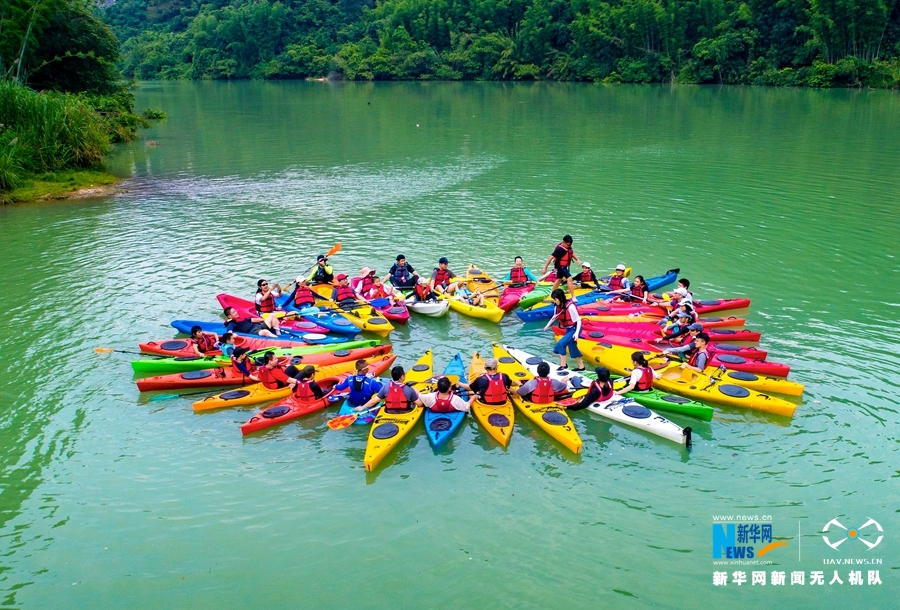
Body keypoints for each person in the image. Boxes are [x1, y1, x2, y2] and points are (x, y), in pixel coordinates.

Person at [544, 288, 585, 372]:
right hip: (568, 329)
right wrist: (547, 325)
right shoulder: (557, 307)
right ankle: (581, 367)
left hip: (575, 328)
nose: (554, 301)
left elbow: (578, 320)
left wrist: (576, 333)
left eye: (555, 299)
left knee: (561, 344)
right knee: (572, 346)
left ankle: (563, 365)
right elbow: (555, 316)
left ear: (560, 298)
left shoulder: (570, 307)